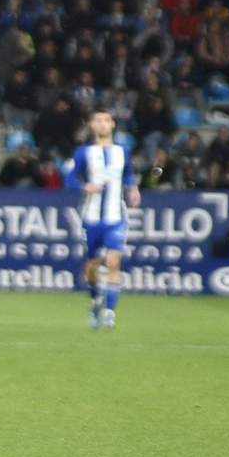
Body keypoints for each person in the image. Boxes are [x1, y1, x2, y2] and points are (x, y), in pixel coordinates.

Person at [64, 108, 141, 331]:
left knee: (114, 261)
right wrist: (84, 186)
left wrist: (133, 188)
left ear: (113, 125)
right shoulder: (83, 153)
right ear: (91, 125)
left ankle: (109, 312)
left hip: (116, 216)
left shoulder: (122, 151)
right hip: (91, 216)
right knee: (92, 267)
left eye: (106, 120)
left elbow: (127, 173)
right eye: (98, 120)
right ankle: (95, 299)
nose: (102, 124)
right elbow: (69, 178)